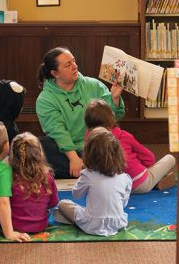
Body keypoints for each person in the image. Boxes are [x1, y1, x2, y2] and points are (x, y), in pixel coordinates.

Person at [36, 46, 126, 179]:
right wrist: (73, 158)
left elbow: (114, 117)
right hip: (69, 151)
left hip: (98, 147)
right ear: (55, 74)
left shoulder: (93, 85)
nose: (75, 66)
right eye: (68, 65)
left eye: (74, 61)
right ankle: (97, 170)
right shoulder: (45, 99)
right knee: (41, 145)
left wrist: (115, 98)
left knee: (121, 140)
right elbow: (58, 131)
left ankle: (88, 171)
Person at [84, 99, 176, 194]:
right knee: (170, 158)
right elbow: (150, 159)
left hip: (112, 188)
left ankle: (155, 181)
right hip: (139, 184)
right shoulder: (125, 136)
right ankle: (155, 181)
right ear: (111, 118)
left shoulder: (88, 137)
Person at [0, 132, 59, 235]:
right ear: (39, 155)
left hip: (13, 227)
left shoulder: (9, 178)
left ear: (13, 157)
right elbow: (53, 203)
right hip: (40, 226)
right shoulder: (47, 177)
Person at [56, 127, 132, 236]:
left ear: (89, 153)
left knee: (63, 204)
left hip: (92, 224)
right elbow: (123, 203)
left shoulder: (87, 175)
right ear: (118, 153)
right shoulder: (125, 177)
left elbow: (76, 195)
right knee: (88, 209)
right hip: (118, 222)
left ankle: (77, 220)